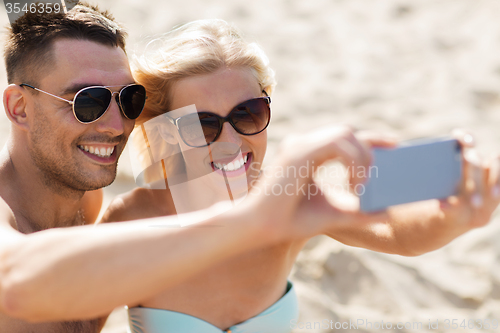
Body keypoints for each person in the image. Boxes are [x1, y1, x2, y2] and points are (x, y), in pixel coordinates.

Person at [0, 5, 382, 332]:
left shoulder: (86, 200)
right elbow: (15, 281)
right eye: (87, 102)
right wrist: (250, 220)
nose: (117, 126)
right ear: (19, 107)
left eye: (128, 100)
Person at [101, 19, 500, 333]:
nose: (231, 140)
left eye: (248, 114)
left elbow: (398, 235)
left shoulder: (287, 195)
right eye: (202, 125)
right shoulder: (132, 219)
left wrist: (456, 216)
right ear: (163, 130)